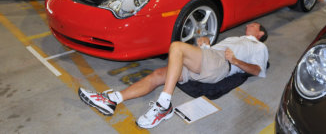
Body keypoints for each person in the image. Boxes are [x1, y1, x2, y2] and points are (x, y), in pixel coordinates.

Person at [78, 22, 269, 129]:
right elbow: (209, 55)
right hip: (209, 58)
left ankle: (163, 105)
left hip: (222, 64)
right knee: (159, 74)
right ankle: (112, 100)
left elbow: (259, 71)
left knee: (176, 47)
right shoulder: (235, 38)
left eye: (255, 25)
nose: (251, 24)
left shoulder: (259, 47)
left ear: (260, 33)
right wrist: (205, 46)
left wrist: (236, 61)